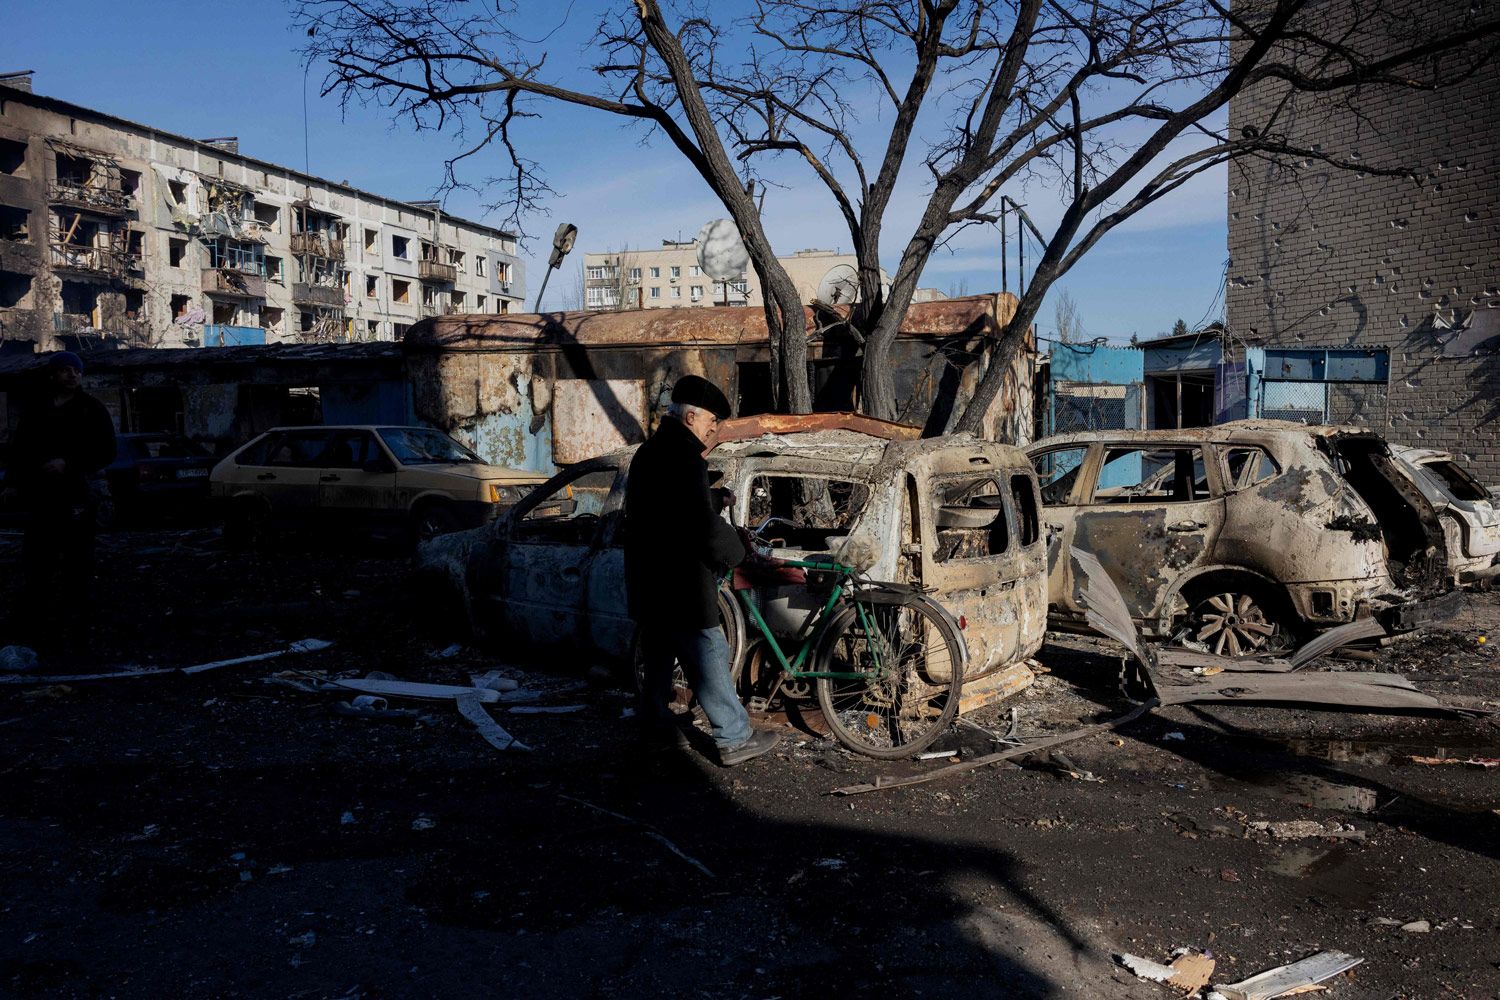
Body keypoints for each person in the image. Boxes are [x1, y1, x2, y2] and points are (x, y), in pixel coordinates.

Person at [624, 375, 779, 766]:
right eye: (712, 420)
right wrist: (738, 552)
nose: (714, 429)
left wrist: (713, 496)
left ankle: (654, 734)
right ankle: (735, 737)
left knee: (658, 660)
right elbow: (697, 523)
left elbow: (668, 504)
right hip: (681, 585)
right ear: (690, 416)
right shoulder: (685, 459)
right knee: (709, 654)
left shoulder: (650, 453)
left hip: (649, 580)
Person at [1, 352, 116, 649]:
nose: (72, 375)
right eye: (65, 370)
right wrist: (12, 483)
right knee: (38, 560)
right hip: (41, 497)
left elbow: (106, 450)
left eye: (76, 370)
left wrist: (69, 463)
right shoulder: (37, 409)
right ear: (53, 375)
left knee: (77, 562)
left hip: (76, 496)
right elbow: (20, 449)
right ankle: (37, 623)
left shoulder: (91, 409)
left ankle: (77, 628)